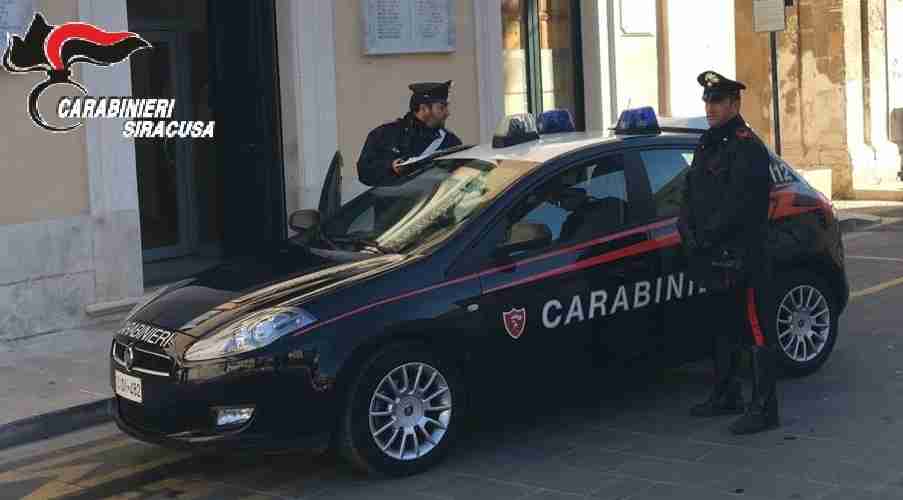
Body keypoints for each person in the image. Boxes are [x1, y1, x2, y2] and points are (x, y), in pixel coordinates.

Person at [678, 70, 778, 435]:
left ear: (735, 105)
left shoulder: (746, 145)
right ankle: (726, 394)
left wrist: (706, 235)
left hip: (743, 255)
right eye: (707, 101)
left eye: (717, 101)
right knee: (723, 325)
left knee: (756, 329)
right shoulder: (708, 143)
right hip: (713, 254)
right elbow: (690, 191)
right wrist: (685, 227)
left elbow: (743, 204)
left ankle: (765, 408)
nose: (710, 108)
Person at [357, 81, 463, 186]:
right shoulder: (384, 134)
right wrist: (391, 167)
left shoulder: (451, 142)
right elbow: (364, 172)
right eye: (441, 107)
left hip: (432, 203)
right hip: (389, 202)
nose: (447, 113)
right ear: (424, 109)